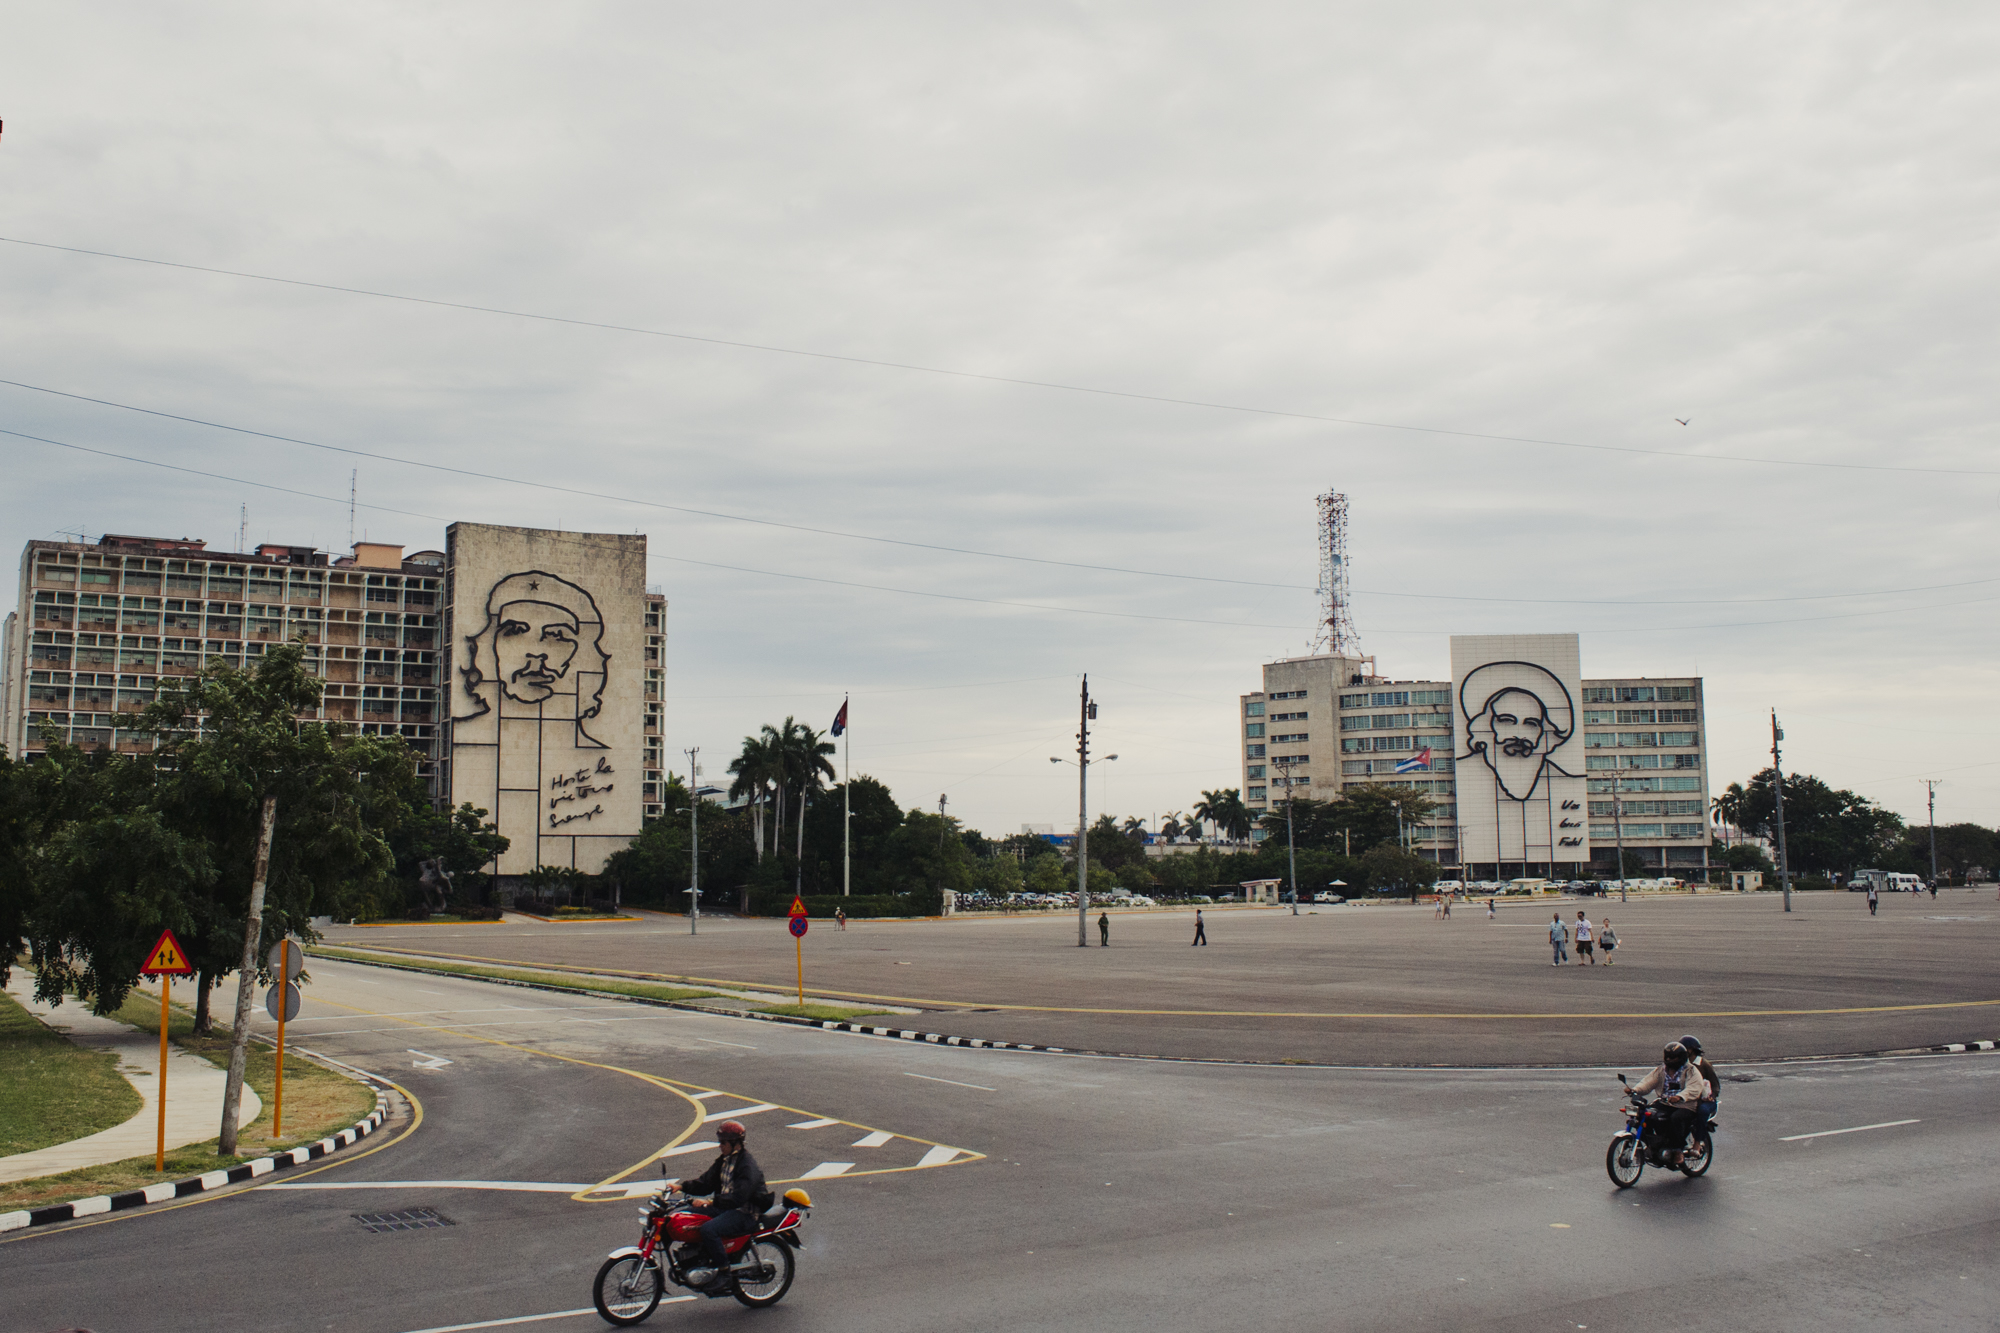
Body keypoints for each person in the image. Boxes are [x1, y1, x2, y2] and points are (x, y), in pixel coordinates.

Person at [670, 1121, 770, 1290]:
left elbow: (739, 1197)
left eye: (723, 1142)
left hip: (745, 1212)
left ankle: (725, 1273)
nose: (720, 1145)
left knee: (709, 1229)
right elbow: (706, 1182)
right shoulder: (725, 1160)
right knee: (686, 1215)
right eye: (720, 1141)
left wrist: (710, 1202)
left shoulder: (747, 1165)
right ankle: (697, 1260)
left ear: (735, 1143)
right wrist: (681, 1187)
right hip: (726, 1207)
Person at [1630, 1041, 1710, 1165]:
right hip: (1665, 1103)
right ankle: (1655, 1144)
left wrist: (1680, 1097)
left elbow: (1694, 1088)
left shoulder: (1691, 1070)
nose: (1670, 1060)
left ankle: (1677, 1150)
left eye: (1673, 1057)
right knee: (1646, 1114)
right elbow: (1648, 1082)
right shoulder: (1662, 1070)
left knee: (1676, 1118)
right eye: (1668, 1057)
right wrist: (1635, 1090)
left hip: (1686, 1105)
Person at [1677, 1034, 1720, 1125]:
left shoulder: (1704, 1065)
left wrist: (1711, 1096)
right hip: (1687, 1097)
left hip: (1702, 1100)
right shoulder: (1682, 1063)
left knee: (1702, 1110)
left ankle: (1698, 1138)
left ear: (1691, 1050)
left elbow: (1715, 1085)